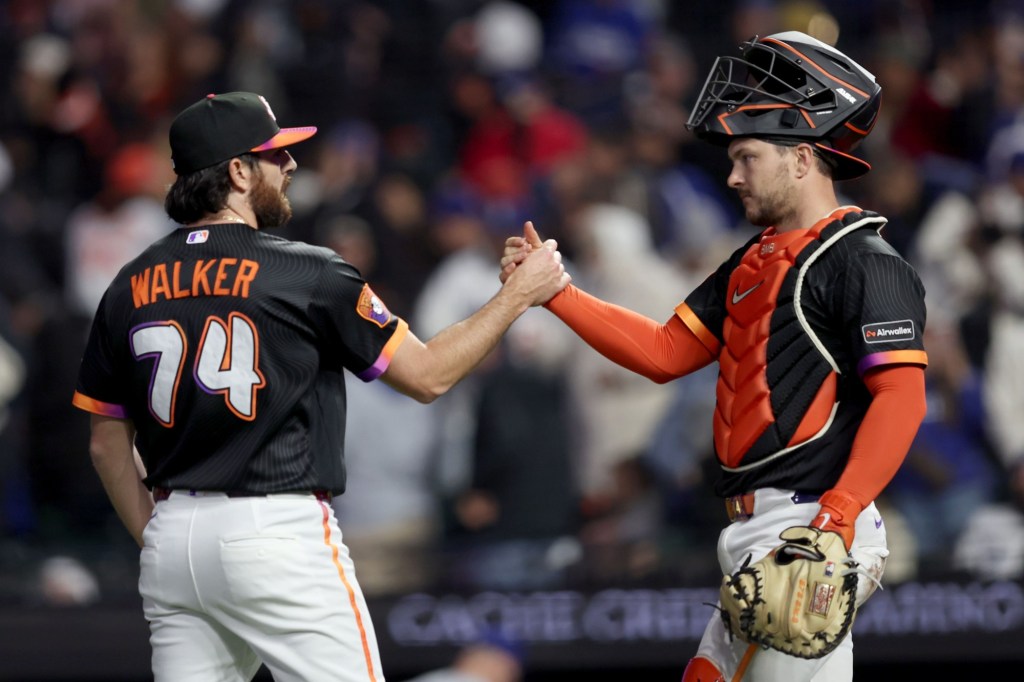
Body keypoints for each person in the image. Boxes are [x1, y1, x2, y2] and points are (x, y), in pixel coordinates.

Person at [69, 91, 570, 682]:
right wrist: (517, 296)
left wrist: (156, 535)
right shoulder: (306, 270)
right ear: (238, 172)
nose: (290, 165)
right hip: (275, 531)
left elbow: (105, 442)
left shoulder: (127, 284)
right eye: (274, 154)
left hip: (174, 539)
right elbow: (428, 375)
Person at [500, 32, 929, 682]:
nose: (732, 176)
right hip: (761, 533)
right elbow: (665, 351)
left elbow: (902, 397)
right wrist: (557, 292)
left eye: (747, 157)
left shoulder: (866, 260)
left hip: (811, 526)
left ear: (802, 159)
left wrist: (836, 519)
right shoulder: (753, 260)